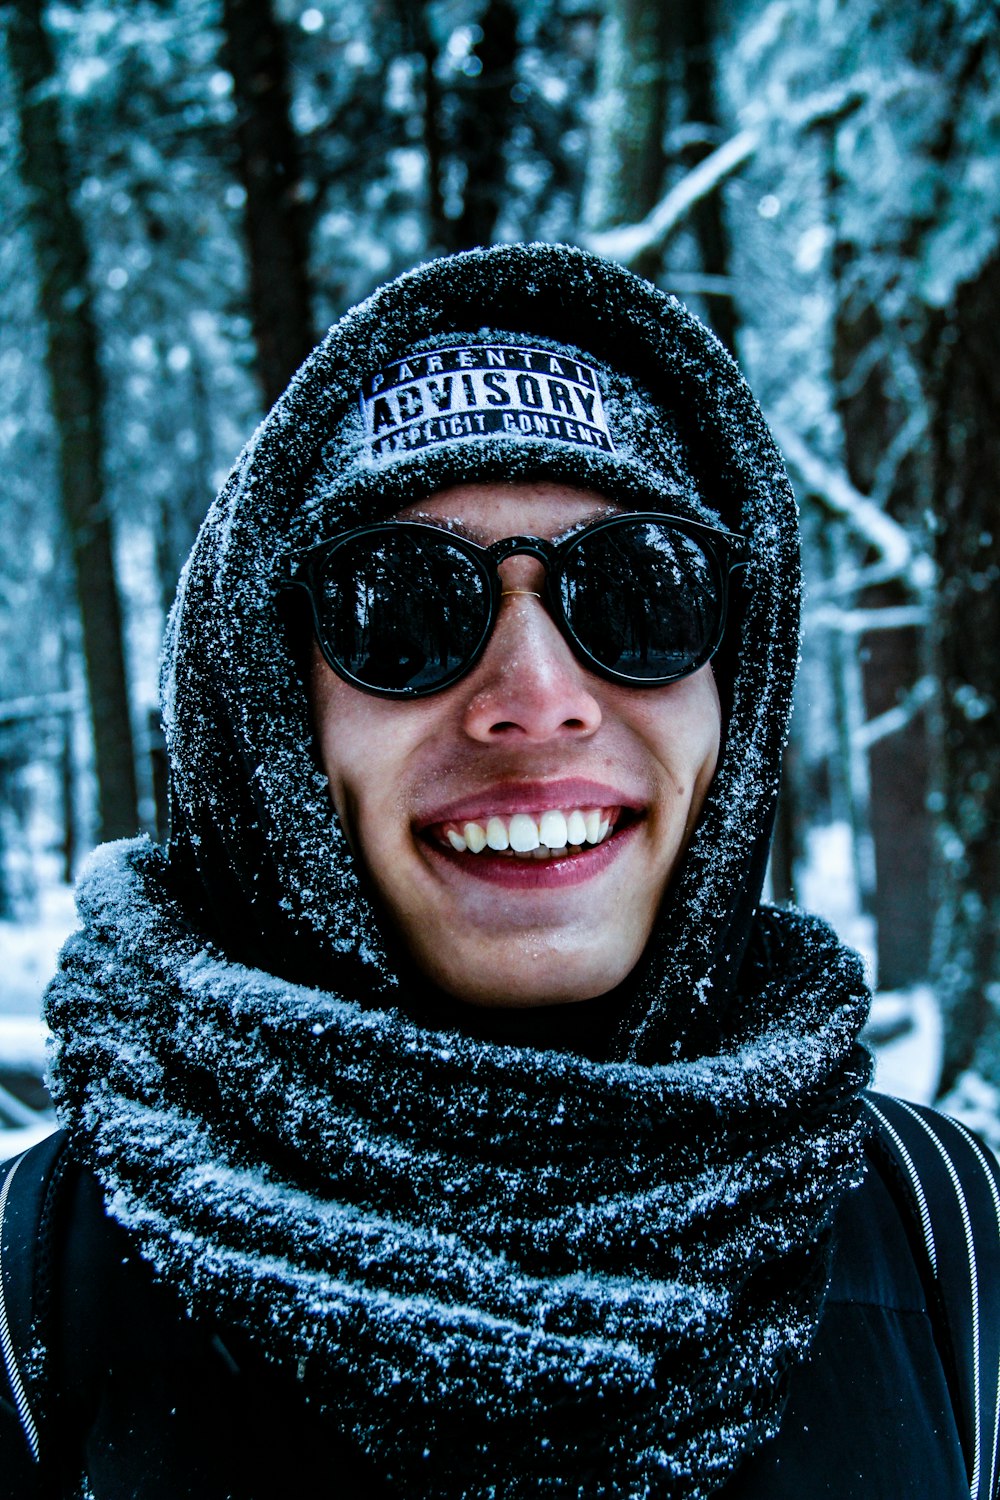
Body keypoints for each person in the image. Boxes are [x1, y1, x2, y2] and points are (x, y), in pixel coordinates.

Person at [2, 242, 999, 1499]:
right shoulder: (36, 1288)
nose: (537, 700)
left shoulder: (946, 1239)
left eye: (640, 592)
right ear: (267, 716)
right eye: (400, 607)